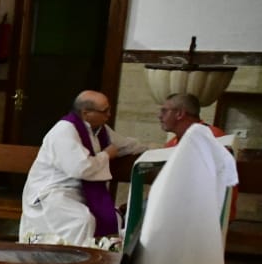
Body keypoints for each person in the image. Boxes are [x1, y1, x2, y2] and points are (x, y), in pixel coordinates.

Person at [19, 90, 145, 246]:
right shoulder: (64, 131)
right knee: (82, 220)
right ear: (86, 113)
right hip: (51, 192)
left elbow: (126, 145)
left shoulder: (100, 130)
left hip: (78, 193)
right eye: (105, 111)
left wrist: (158, 150)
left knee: (114, 218)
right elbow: (80, 168)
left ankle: (96, 261)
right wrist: (106, 155)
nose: (109, 115)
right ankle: (72, 262)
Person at [160, 92, 226, 145]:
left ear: (179, 114)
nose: (159, 116)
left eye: (164, 111)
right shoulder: (171, 145)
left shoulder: (213, 136)